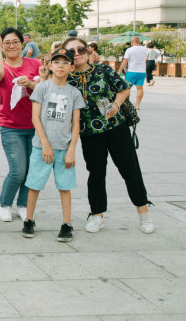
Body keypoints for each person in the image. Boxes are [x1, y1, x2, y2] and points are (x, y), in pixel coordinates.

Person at [62, 37, 154, 234]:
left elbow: (124, 88)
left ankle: (144, 212)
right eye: (71, 51)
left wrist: (116, 105)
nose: (77, 54)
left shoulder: (103, 69)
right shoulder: (66, 78)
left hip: (116, 128)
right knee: (96, 174)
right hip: (89, 133)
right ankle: (97, 214)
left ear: (87, 51)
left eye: (80, 49)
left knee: (130, 170)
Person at [22, 48, 85, 242]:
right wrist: (45, 143)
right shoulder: (42, 88)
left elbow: (76, 124)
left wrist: (72, 150)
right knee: (34, 185)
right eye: (57, 62)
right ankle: (29, 220)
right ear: (50, 65)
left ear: (71, 67)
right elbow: (35, 118)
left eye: (65, 63)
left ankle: (67, 223)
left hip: (64, 148)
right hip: (41, 147)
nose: (60, 66)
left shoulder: (74, 92)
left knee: (65, 187)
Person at [0, 27, 46, 223]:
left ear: (22, 44)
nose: (11, 46)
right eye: (7, 43)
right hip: (11, 127)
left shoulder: (35, 63)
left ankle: (23, 205)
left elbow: (45, 89)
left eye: (15, 42)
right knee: (18, 171)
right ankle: (5, 204)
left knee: (31, 170)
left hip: (36, 126)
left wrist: (30, 84)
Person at [120, 36, 147, 109]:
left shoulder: (129, 50)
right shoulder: (144, 49)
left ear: (132, 42)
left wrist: (119, 70)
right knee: (140, 88)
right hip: (142, 71)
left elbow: (125, 61)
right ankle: (137, 105)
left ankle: (128, 104)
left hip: (131, 71)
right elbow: (145, 58)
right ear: (139, 42)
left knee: (127, 88)